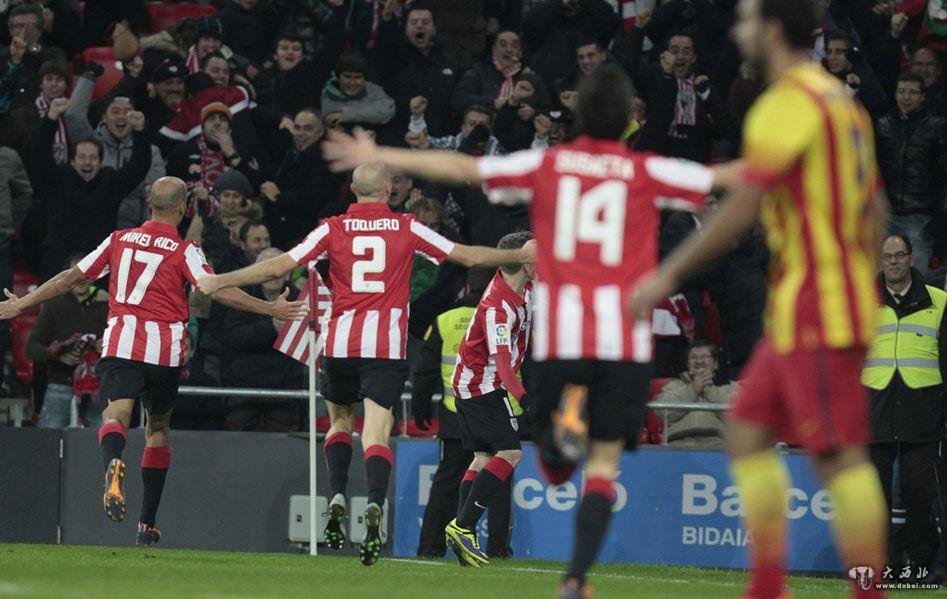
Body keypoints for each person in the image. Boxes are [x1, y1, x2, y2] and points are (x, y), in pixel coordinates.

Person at [321, 64, 731, 597]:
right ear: (632, 119)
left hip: (565, 340)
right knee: (595, 462)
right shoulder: (646, 170)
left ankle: (547, 467)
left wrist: (384, 153)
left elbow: (465, 168)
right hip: (621, 341)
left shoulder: (550, 164)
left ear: (578, 114)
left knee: (546, 463)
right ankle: (572, 570)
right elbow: (733, 183)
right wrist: (672, 274)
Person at [629, 1, 889, 598]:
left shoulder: (787, 102)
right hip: (814, 302)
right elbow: (875, 207)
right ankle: (768, 586)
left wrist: (664, 277)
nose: (738, 29)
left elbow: (742, 207)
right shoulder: (841, 104)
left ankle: (867, 590)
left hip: (819, 305)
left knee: (838, 458)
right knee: (746, 429)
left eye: (746, 20)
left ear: (770, 30)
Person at [197, 163, 534, 567]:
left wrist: (220, 280)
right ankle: (374, 501)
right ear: (388, 187)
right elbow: (468, 255)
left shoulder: (332, 228)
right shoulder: (407, 227)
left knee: (340, 422)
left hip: (339, 344)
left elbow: (279, 265)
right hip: (385, 347)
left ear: (353, 190)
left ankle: (338, 493)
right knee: (376, 431)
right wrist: (516, 255)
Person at [0, 176, 307, 546]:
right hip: (163, 350)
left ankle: (113, 463)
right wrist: (269, 308)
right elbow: (215, 290)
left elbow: (69, 279)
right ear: (182, 208)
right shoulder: (185, 249)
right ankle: (146, 523)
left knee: (116, 414)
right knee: (158, 429)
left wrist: (21, 304)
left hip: (122, 342)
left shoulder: (119, 240)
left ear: (150, 205)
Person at [446, 231, 533, 567]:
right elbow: (502, 363)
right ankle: (463, 526)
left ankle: (461, 534)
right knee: (510, 453)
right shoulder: (498, 307)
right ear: (522, 263)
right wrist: (524, 397)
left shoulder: (522, 287)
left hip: (474, 383)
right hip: (481, 386)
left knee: (482, 459)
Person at [411, 281, 514, 559]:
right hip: (494, 410)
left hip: (455, 414)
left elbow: (424, 370)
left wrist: (420, 408)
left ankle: (430, 547)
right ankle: (497, 549)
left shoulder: (445, 320)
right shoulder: (499, 316)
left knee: (446, 484)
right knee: (499, 482)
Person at [864, 235, 947, 574]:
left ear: (912, 258)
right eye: (888, 256)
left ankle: (918, 560)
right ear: (880, 261)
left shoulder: (940, 301)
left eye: (900, 255)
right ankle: (882, 562)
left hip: (922, 410)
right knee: (874, 496)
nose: (894, 261)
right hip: (875, 409)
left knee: (920, 493)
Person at [874, 73, 947, 273]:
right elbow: (875, 168)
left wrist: (940, 214)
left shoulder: (936, 126)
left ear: (923, 96)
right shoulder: (883, 125)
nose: (906, 97)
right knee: (880, 274)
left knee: (917, 274)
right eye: (902, 91)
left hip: (920, 214)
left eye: (913, 92)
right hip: (887, 212)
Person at [27, 254, 109, 428]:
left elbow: (127, 343)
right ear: (67, 275)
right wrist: (56, 355)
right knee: (48, 441)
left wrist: (108, 345)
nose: (81, 278)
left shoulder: (107, 304)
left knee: (103, 441)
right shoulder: (54, 304)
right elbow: (31, 347)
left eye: (86, 272)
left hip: (97, 387)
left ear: (94, 275)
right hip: (60, 384)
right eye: (76, 273)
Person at [656, 339, 736, 449]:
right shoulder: (673, 386)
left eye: (705, 356)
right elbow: (662, 412)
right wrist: (693, 389)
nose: (699, 361)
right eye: (693, 357)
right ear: (687, 364)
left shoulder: (731, 387)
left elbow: (738, 417)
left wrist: (708, 390)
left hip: (718, 447)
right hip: (678, 446)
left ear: (715, 364)